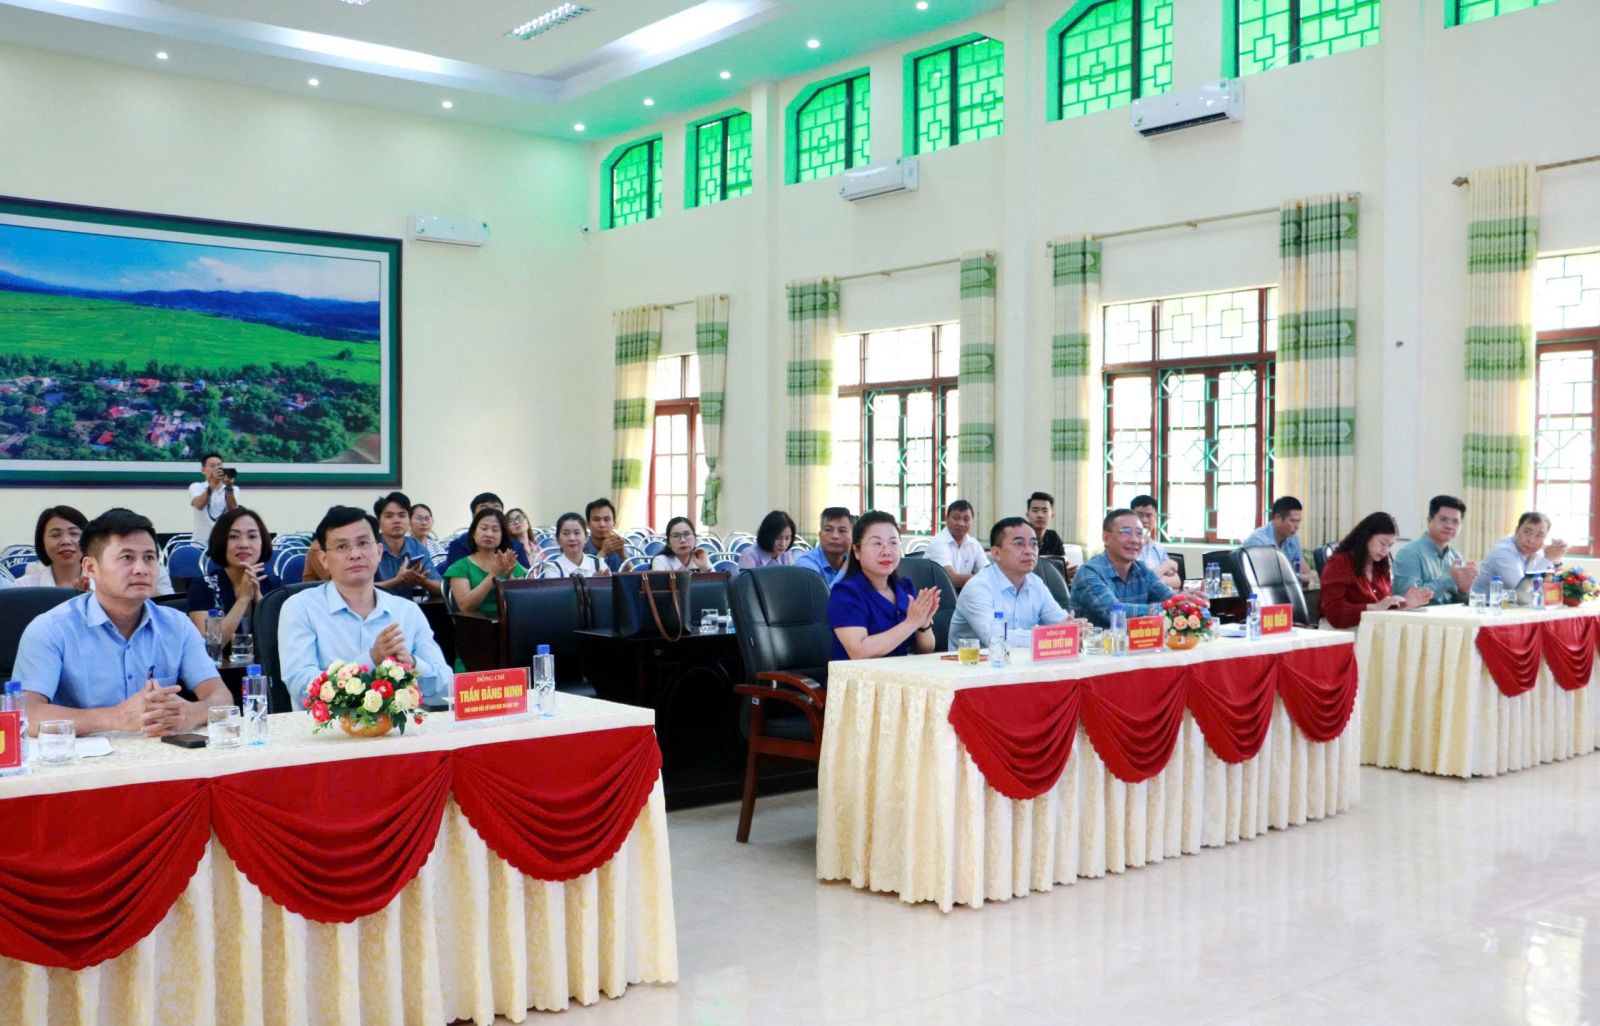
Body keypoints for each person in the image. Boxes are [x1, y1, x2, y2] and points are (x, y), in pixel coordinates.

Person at [12, 508, 230, 736]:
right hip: (81, 754)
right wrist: (115, 718)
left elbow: (221, 697)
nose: (141, 569)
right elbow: (26, 714)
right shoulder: (50, 628)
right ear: (90, 567)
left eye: (149, 558)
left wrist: (190, 713)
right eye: (127, 558)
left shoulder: (177, 625)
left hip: (157, 751)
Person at [278, 505, 451, 703]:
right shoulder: (300, 608)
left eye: (362, 543)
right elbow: (302, 687)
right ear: (324, 559)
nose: (355, 554)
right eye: (342, 547)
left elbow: (445, 688)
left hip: (398, 723)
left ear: (379, 552)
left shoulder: (407, 611)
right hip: (330, 724)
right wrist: (371, 660)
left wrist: (412, 663)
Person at [828, 510, 940, 660]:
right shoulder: (845, 594)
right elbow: (859, 652)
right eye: (877, 543)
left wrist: (923, 623)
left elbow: (926, 649)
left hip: (901, 672)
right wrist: (911, 623)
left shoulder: (904, 587)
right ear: (857, 551)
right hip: (859, 675)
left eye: (893, 543)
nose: (886, 551)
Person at [948, 517, 1071, 648]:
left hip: (1021, 660)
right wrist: (1051, 634)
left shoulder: (1036, 584)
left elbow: (1063, 623)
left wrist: (1076, 628)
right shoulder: (978, 587)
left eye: (1034, 544)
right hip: (974, 660)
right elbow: (995, 638)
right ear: (996, 553)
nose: (1029, 551)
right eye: (1019, 544)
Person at [1072, 509, 1207, 627]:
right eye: (1126, 532)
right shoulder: (1089, 572)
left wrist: (1188, 600)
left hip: (1136, 644)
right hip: (1096, 646)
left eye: (1139, 533)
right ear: (1106, 538)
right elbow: (1113, 612)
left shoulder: (1141, 569)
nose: (1134, 540)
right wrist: (1171, 605)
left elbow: (1169, 598)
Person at [1319, 512, 1432, 629]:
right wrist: (1374, 607)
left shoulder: (1380, 566)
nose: (1386, 550)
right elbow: (1335, 614)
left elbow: (1383, 609)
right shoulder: (1339, 563)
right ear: (1366, 536)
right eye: (1383, 543)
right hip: (1341, 633)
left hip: (1370, 630)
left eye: (1390, 546)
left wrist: (1405, 604)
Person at [186, 507, 280, 647]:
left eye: (252, 536)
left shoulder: (274, 585)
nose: (244, 544)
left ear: (263, 541)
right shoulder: (204, 586)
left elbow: (282, 641)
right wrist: (243, 599)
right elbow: (210, 646)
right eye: (233, 537)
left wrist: (261, 602)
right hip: (220, 662)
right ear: (221, 541)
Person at [1392, 495, 1478, 605]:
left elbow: (1460, 604)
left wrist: (1464, 591)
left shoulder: (1456, 557)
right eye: (1443, 519)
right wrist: (1450, 578)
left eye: (1455, 522)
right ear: (1429, 520)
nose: (1449, 526)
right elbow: (1409, 600)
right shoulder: (1409, 554)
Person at [444, 507, 526, 618]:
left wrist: (509, 577)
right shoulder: (460, 567)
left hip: (512, 621)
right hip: (480, 624)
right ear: (473, 533)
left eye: (495, 530)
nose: (489, 534)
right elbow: (465, 606)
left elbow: (522, 602)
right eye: (484, 528)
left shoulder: (510, 562)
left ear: (502, 536)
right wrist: (492, 576)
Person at [373, 491, 442, 599]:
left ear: (409, 520)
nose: (396, 521)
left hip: (409, 607)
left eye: (402, 515)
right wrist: (397, 580)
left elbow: (440, 587)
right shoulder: (369, 547)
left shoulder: (416, 547)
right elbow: (358, 589)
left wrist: (422, 581)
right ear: (379, 522)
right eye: (389, 516)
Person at [442, 492, 532, 570]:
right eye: (484, 508)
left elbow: (527, 580)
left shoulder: (516, 546)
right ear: (473, 516)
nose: (491, 512)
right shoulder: (459, 545)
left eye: (496, 508)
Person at [16, 505, 89, 590]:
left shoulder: (101, 583)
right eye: (55, 535)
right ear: (42, 541)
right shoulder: (24, 586)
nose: (65, 541)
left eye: (74, 533)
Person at [1245, 497, 1311, 585]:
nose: (1297, 526)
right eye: (1292, 521)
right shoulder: (1259, 541)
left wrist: (1294, 577)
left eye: (1298, 521)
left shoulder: (1293, 540)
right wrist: (1296, 577)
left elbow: (1308, 574)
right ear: (1278, 518)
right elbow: (1266, 577)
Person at [927, 499, 989, 590]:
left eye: (966, 519)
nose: (961, 523)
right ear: (947, 519)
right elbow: (951, 578)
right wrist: (984, 579)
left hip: (964, 592)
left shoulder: (974, 544)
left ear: (971, 521)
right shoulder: (938, 543)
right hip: (940, 594)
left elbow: (987, 571)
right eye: (956, 518)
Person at [1130, 494, 1182, 590]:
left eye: (1149, 515)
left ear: (1155, 517)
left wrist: (1153, 578)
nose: (1144, 520)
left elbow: (1177, 581)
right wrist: (1167, 565)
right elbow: (1137, 584)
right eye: (1140, 515)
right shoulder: (1126, 547)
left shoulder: (1159, 548)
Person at [794, 507, 855, 589]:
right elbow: (820, 596)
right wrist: (846, 567)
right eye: (828, 530)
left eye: (842, 531)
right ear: (820, 535)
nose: (835, 536)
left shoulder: (858, 561)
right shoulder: (806, 563)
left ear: (852, 537)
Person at [188, 452, 240, 540]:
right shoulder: (196, 486)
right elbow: (199, 505)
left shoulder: (233, 488)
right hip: (201, 541)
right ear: (203, 470)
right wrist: (212, 484)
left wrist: (229, 488)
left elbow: (233, 511)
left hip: (224, 541)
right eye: (212, 466)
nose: (217, 469)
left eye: (219, 466)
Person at [548, 512, 610, 578]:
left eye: (577, 533)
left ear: (586, 537)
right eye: (566, 534)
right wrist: (592, 583)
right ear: (557, 539)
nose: (572, 538)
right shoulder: (553, 568)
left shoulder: (598, 564)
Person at [585, 498, 628, 572]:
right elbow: (582, 575)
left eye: (607, 519)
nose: (602, 525)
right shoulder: (580, 549)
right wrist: (603, 552)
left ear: (614, 523)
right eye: (596, 520)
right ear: (588, 524)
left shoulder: (618, 545)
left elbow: (638, 576)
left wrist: (623, 556)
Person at [1026, 492, 1066, 559]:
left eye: (1045, 511)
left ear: (1052, 515)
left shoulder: (1053, 538)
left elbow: (1061, 562)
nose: (1040, 515)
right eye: (1035, 510)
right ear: (1027, 515)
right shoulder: (1020, 537)